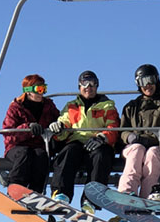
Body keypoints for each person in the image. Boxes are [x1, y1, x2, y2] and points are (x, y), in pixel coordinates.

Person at [48, 70, 118, 203]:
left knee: (101, 157)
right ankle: (61, 193)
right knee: (68, 152)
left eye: (92, 84)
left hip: (98, 143)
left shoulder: (107, 105)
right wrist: (58, 129)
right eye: (84, 84)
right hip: (77, 141)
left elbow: (113, 126)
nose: (88, 87)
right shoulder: (72, 106)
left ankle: (91, 198)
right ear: (79, 86)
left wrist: (102, 138)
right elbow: (65, 123)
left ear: (97, 86)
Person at [117, 64, 160, 202]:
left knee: (152, 154)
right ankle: (127, 191)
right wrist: (129, 137)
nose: (147, 85)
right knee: (137, 150)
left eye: (150, 80)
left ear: (157, 80)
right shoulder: (132, 106)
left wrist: (155, 140)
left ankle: (148, 196)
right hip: (133, 146)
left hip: (157, 146)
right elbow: (122, 130)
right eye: (142, 82)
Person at [1, 74, 60, 194]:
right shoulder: (16, 108)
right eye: (39, 89)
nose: (41, 93)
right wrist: (28, 129)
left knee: (41, 155)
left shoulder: (48, 106)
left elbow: (59, 119)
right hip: (17, 148)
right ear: (28, 91)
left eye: (44, 89)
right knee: (25, 153)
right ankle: (16, 188)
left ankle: (36, 193)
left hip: (39, 146)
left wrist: (57, 124)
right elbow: (9, 134)